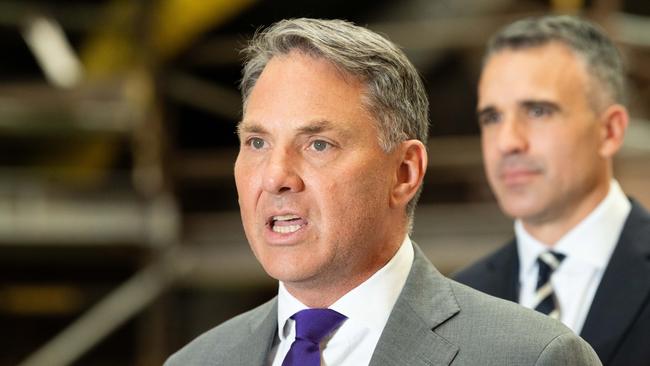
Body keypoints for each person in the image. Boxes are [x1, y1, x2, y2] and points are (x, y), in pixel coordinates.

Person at [166, 18, 600, 365]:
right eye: (257, 143)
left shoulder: (530, 357)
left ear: (405, 172)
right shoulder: (195, 361)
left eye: (318, 144)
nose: (276, 176)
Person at [454, 15, 650, 366]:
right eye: (492, 118)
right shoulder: (459, 297)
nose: (507, 142)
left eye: (538, 111)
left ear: (610, 131)